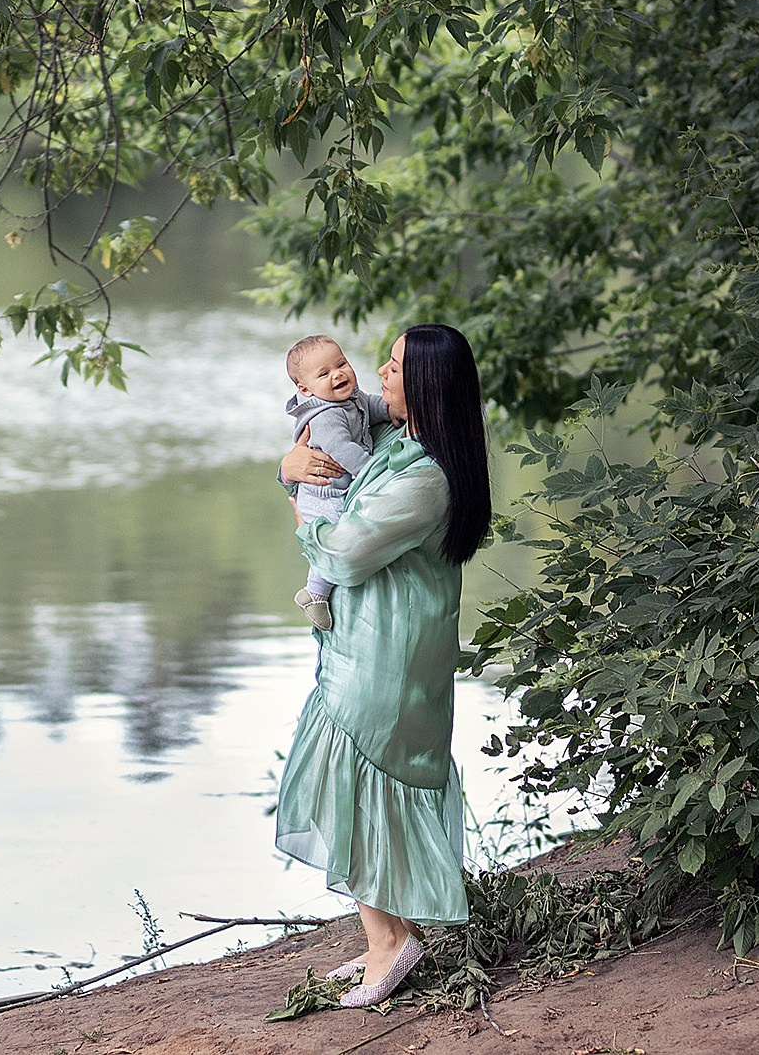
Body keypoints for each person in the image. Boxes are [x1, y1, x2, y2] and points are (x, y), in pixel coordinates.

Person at [274, 324, 492, 1008]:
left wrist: (294, 508)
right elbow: (325, 462)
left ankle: (392, 944)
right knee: (351, 786)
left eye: (394, 368)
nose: (378, 375)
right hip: (367, 646)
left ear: (425, 384)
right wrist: (287, 468)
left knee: (350, 786)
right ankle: (385, 936)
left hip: (388, 657)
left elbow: (345, 551)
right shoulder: (398, 445)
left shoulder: (425, 477)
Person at [283, 335, 392, 632]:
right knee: (335, 533)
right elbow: (344, 451)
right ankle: (315, 592)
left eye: (342, 364)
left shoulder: (351, 397)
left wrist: (389, 410)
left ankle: (316, 589)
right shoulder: (326, 417)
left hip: (336, 488)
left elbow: (370, 406)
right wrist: (373, 473)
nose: (338, 374)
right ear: (305, 389)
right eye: (324, 373)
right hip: (323, 494)